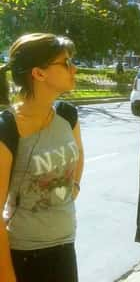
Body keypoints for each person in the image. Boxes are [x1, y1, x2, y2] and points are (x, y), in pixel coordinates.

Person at [0, 33, 84, 282]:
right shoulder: (7, 128)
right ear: (39, 73)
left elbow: (78, 156)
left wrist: (72, 189)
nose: (74, 68)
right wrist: (6, 276)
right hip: (25, 253)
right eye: (66, 62)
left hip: (65, 243)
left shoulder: (68, 115)